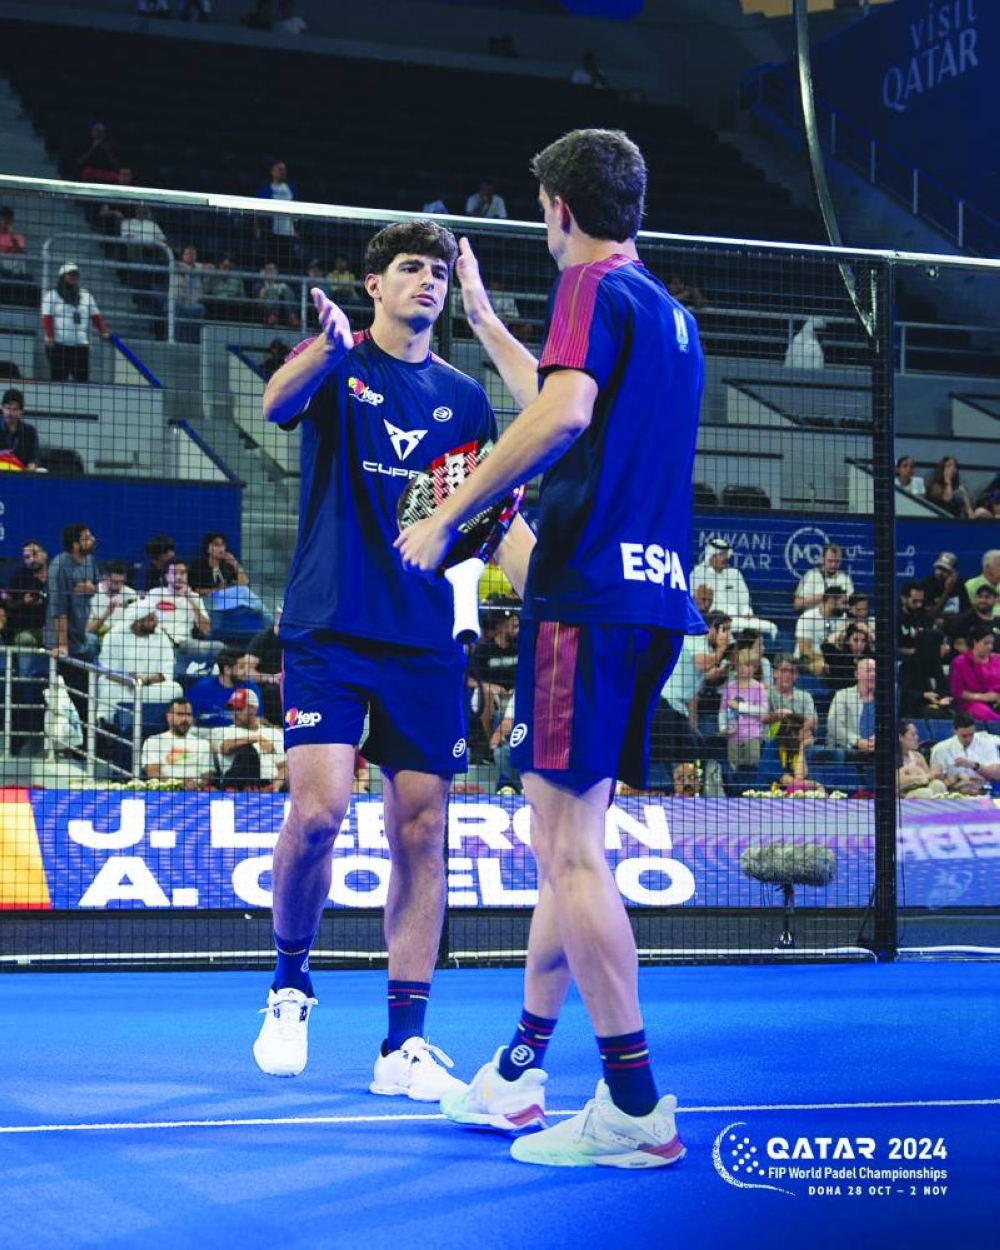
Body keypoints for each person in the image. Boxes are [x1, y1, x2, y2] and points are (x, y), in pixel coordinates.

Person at [396, 129, 701, 1167]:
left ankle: (633, 1103)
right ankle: (523, 1069)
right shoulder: (669, 315)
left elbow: (563, 410)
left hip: (582, 598)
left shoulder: (585, 283)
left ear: (559, 212)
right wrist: (483, 319)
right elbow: (576, 393)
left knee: (567, 852)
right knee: (573, 849)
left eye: (540, 209)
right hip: (652, 602)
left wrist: (454, 516)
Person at [253, 218, 522, 1099]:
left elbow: (481, 526)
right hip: (330, 626)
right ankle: (291, 983)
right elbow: (276, 404)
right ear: (375, 285)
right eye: (411, 267)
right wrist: (326, 351)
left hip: (422, 640)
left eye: (440, 270)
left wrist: (528, 600)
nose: (429, 281)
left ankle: (403, 1041)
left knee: (421, 828)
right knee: (322, 810)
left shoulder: (465, 399)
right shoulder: (338, 362)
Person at [96, 601, 183, 727]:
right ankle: (107, 726)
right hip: (122, 685)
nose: (156, 623)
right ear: (138, 621)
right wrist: (128, 678)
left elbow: (166, 672)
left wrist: (146, 680)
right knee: (108, 686)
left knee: (175, 688)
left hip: (149, 685)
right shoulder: (114, 635)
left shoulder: (161, 636)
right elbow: (107, 671)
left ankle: (167, 725)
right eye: (152, 619)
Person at [689, 536, 776, 640]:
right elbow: (692, 603)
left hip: (735, 620)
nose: (726, 558)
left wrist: (746, 612)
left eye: (726, 555)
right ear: (711, 556)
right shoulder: (697, 574)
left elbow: (744, 601)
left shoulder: (735, 574)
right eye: (722, 555)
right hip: (710, 621)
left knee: (771, 627)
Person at [42, 263, 110, 382]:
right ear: (62, 276)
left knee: (82, 380)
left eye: (76, 274)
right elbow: (47, 318)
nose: (73, 277)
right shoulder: (52, 295)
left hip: (80, 346)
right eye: (70, 274)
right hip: (58, 345)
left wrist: (103, 331)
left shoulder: (86, 295)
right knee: (58, 380)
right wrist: (50, 337)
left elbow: (96, 316)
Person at [149, 558, 222, 667]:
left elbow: (206, 630)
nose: (178, 577)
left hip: (184, 643)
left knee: (219, 647)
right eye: (174, 573)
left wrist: (190, 600)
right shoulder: (155, 593)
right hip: (157, 641)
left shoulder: (195, 598)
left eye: (182, 573)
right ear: (166, 577)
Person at [213, 688, 286, 791]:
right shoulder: (224, 731)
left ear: (253, 709)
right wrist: (255, 738)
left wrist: (276, 786)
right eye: (232, 709)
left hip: (267, 785)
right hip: (237, 785)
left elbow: (283, 767)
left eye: (239, 709)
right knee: (248, 751)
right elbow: (225, 748)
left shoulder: (273, 734)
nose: (234, 713)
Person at [141, 697, 215, 789]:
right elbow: (153, 773)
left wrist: (196, 785)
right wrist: (180, 783)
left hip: (196, 791)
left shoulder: (203, 744)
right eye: (180, 714)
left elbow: (207, 776)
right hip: (165, 790)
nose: (185, 719)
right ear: (168, 717)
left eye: (188, 715)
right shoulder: (153, 741)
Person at [186, 648, 263, 728]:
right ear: (227, 669)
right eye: (241, 667)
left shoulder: (250, 687)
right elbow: (190, 721)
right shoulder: (201, 688)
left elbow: (258, 719)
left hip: (242, 732)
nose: (246, 671)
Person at [929, 712, 1000, 795]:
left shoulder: (987, 743)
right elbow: (937, 781)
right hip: (953, 793)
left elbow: (997, 775)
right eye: (964, 736)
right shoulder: (940, 749)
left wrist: (974, 765)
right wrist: (957, 778)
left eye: (971, 734)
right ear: (954, 731)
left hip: (985, 792)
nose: (968, 739)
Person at [948, 622, 1000, 722]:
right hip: (971, 704)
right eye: (986, 643)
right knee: (981, 712)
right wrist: (984, 697)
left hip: (997, 701)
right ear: (975, 642)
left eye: (991, 643)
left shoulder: (998, 659)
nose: (990, 647)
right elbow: (958, 693)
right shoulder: (960, 662)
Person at [3, 539, 48, 649]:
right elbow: (8, 604)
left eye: (35, 554)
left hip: (52, 629)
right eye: (27, 557)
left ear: (45, 554)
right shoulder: (19, 577)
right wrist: (23, 602)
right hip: (25, 630)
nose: (32, 560)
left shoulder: (57, 575)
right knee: (25, 639)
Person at [826, 657, 876, 755]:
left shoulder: (884, 699)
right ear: (857, 675)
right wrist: (857, 741)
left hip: (875, 749)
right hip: (846, 748)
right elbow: (833, 726)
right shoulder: (842, 695)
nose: (873, 674)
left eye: (875, 671)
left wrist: (873, 742)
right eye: (868, 671)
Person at [795, 584, 848, 676]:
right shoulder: (807, 617)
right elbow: (804, 650)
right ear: (831, 600)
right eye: (843, 603)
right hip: (806, 659)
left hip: (832, 660)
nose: (846, 607)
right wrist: (826, 660)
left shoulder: (843, 618)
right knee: (822, 666)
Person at [793, 543, 854, 613]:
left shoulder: (845, 579)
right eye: (830, 561)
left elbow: (853, 606)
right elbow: (797, 605)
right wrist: (822, 597)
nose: (833, 565)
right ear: (823, 559)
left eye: (837, 561)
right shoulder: (812, 575)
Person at [188, 531, 251, 596]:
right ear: (207, 549)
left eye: (222, 544)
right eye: (216, 545)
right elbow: (195, 589)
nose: (221, 548)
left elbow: (244, 585)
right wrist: (219, 590)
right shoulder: (199, 566)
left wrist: (235, 563)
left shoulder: (229, 565)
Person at [925, 456, 990, 519]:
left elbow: (969, 511)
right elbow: (947, 500)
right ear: (942, 469)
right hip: (942, 520)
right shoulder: (935, 486)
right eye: (949, 466)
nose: (953, 469)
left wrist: (965, 496)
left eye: (955, 467)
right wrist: (948, 482)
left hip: (959, 520)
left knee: (981, 512)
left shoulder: (960, 488)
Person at [87, 561, 138, 641]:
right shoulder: (91, 595)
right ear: (104, 578)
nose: (119, 586)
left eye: (122, 582)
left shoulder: (131, 594)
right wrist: (107, 613)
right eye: (115, 582)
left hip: (124, 637)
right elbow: (87, 630)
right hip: (98, 638)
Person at [896, 720, 947, 798]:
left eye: (917, 734)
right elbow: (896, 781)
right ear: (900, 737)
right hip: (902, 795)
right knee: (925, 793)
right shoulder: (892, 758)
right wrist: (927, 776)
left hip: (921, 789)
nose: (917, 737)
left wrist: (937, 774)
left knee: (938, 784)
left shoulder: (918, 756)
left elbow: (929, 778)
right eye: (913, 735)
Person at [170, 244, 207, 343]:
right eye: (188, 253)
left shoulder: (197, 266)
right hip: (179, 302)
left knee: (201, 308)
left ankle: (196, 342)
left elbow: (211, 267)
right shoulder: (176, 265)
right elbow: (178, 266)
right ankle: (175, 340)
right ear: (182, 255)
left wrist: (194, 269)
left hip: (194, 303)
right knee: (175, 307)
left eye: (194, 254)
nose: (191, 256)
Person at [921, 551, 969, 624]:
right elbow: (931, 615)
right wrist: (947, 591)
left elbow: (966, 611)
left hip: (956, 627)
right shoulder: (928, 583)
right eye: (938, 568)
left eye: (945, 570)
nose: (939, 573)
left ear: (954, 573)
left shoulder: (959, 584)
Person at [0, 388, 39, 471]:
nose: (10, 413)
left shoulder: (30, 431)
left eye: (14, 409)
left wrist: (25, 474)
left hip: (21, 476)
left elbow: (33, 461)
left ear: (21, 411)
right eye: (7, 408)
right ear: (2, 408)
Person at [256, 262, 301, 328]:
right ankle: (272, 315)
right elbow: (259, 299)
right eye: (268, 269)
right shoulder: (259, 285)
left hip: (282, 311)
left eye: (272, 269)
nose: (270, 272)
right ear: (263, 271)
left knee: (285, 287)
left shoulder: (282, 285)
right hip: (264, 310)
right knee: (275, 289)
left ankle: (292, 316)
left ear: (276, 272)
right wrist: (266, 284)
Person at [964, 550, 1000, 619]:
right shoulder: (970, 585)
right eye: (999, 565)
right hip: (982, 623)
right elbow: (967, 610)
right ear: (987, 567)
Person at [0, 206, 27, 276]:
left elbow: (21, 253)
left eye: (8, 219)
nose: (6, 222)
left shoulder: (18, 238)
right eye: (3, 219)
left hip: (10, 271)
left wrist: (11, 237)